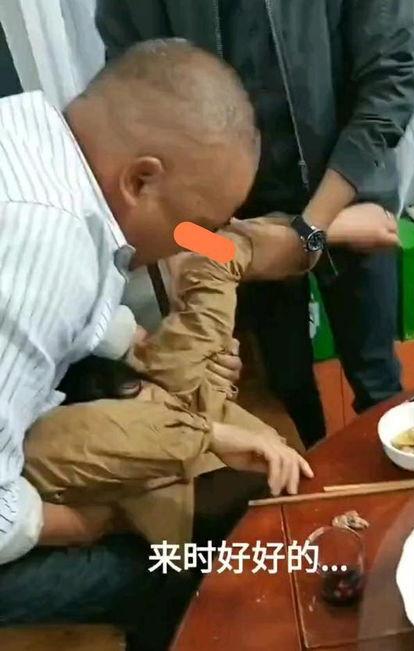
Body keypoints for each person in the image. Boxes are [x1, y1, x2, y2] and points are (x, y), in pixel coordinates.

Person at [0, 39, 307, 650]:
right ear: (140, 178)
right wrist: (88, 524)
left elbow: (225, 254)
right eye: (193, 225)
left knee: (202, 376)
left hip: (161, 361)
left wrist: (134, 346)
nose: (188, 242)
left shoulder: (29, 133)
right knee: (178, 572)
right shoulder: (45, 248)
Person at [97, 0, 414, 446]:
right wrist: (320, 231)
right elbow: (186, 234)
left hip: (350, 190)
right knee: (284, 387)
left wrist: (314, 226)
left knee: (378, 380)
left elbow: (393, 81)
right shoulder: (159, 215)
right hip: (241, 227)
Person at [24, 216, 315, 546]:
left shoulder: (173, 230)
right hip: (91, 411)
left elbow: (224, 251)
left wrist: (312, 237)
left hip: (149, 367)